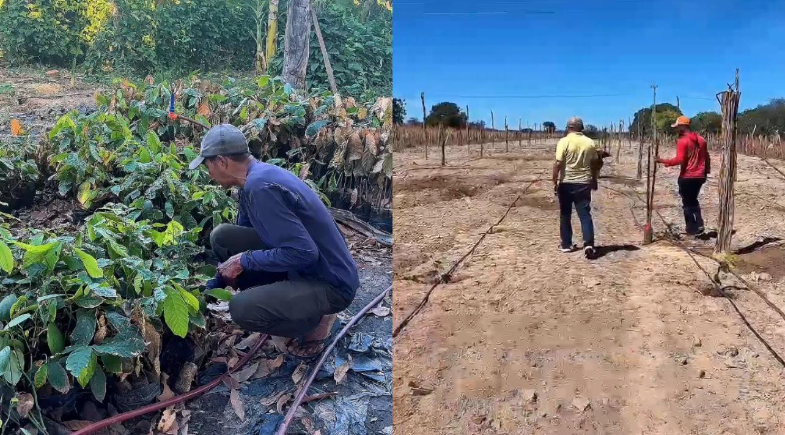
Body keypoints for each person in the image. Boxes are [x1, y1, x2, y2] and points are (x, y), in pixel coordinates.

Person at [189, 124, 360, 358]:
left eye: (208, 165)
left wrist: (244, 261)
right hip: (307, 268)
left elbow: (304, 252)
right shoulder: (254, 179)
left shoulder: (261, 188)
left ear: (221, 161)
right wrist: (215, 283)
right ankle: (283, 299)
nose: (208, 173)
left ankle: (312, 322)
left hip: (331, 282)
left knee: (242, 310)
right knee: (223, 236)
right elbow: (249, 236)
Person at [553, 117, 600, 259]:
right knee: (585, 215)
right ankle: (589, 244)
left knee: (565, 214)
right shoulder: (589, 142)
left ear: (568, 128)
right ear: (582, 128)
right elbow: (595, 164)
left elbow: (558, 163)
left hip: (566, 183)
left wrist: (554, 180)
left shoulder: (564, 142)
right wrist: (594, 179)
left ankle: (566, 245)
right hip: (584, 183)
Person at [656, 115, 711, 236]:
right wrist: (706, 172)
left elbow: (680, 159)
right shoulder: (702, 140)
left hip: (687, 176)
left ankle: (692, 228)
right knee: (693, 200)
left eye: (677, 127)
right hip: (700, 176)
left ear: (682, 126)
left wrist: (664, 161)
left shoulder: (682, 141)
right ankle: (699, 223)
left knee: (687, 202)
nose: (676, 130)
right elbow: (707, 158)